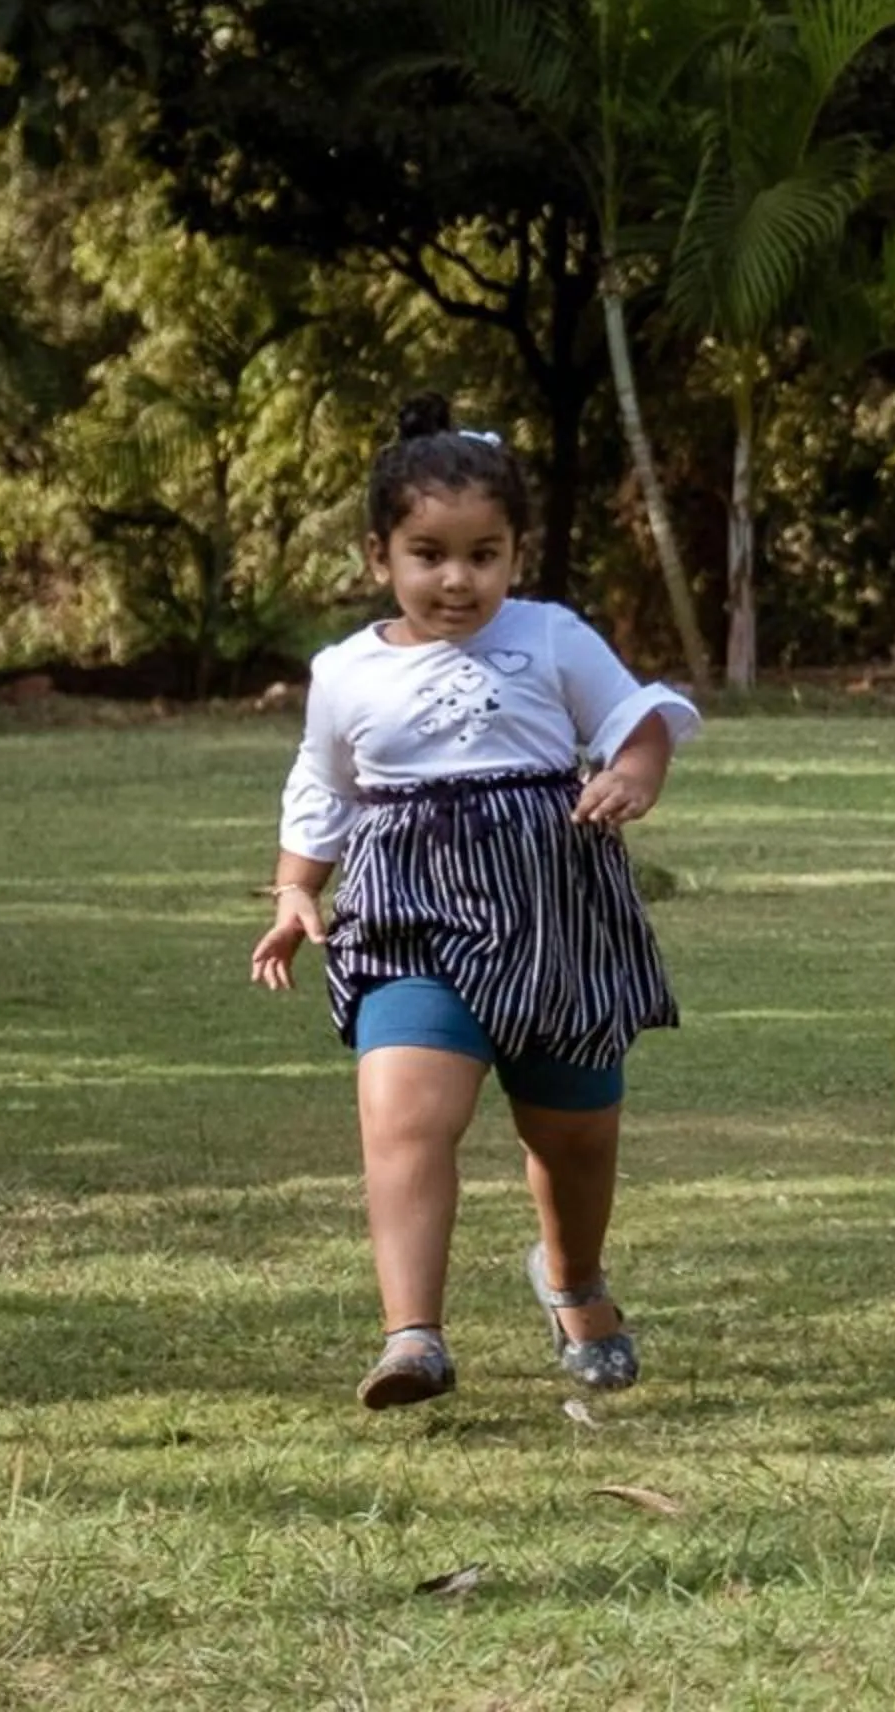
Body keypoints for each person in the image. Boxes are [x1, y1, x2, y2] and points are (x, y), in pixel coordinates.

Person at [248, 394, 699, 1409]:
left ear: (515, 555)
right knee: (403, 1115)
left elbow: (643, 718)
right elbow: (324, 787)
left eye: (483, 555)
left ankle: (574, 1282)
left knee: (573, 1133)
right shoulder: (345, 673)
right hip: (406, 908)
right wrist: (293, 889)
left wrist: (634, 774)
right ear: (380, 557)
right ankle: (414, 1337)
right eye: (429, 554)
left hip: (554, 907)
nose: (457, 580)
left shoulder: (551, 638)